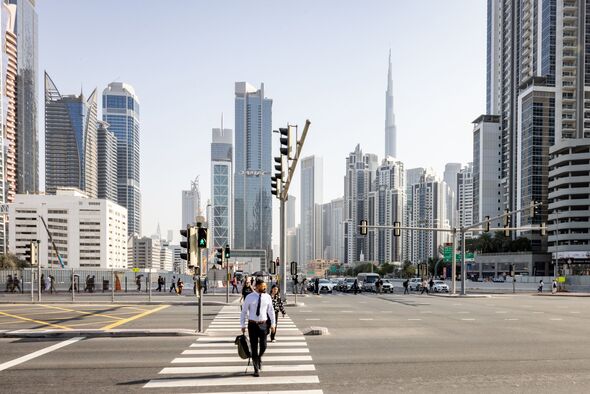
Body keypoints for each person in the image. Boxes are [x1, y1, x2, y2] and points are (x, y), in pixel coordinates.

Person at [240, 278, 276, 377]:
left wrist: (273, 324)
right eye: (262, 286)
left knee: (264, 346)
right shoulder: (249, 297)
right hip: (252, 325)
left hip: (263, 325)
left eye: (265, 286)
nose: (265, 288)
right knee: (254, 347)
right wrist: (242, 325)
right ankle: (256, 369)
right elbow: (243, 312)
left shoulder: (267, 297)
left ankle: (259, 357)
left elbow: (271, 311)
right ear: (256, 286)